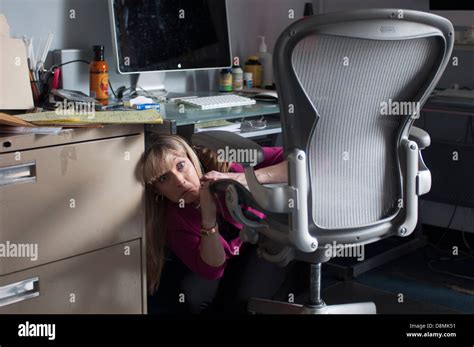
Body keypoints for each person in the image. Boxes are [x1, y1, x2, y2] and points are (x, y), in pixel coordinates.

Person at [139, 134, 290, 314]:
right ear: (157, 191)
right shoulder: (175, 219)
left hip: (262, 243)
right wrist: (208, 217)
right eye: (164, 179)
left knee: (242, 301)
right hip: (221, 264)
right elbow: (213, 270)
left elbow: (299, 162)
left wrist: (245, 177)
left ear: (190, 157)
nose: (179, 181)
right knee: (207, 299)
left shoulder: (222, 163)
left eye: (180, 166)